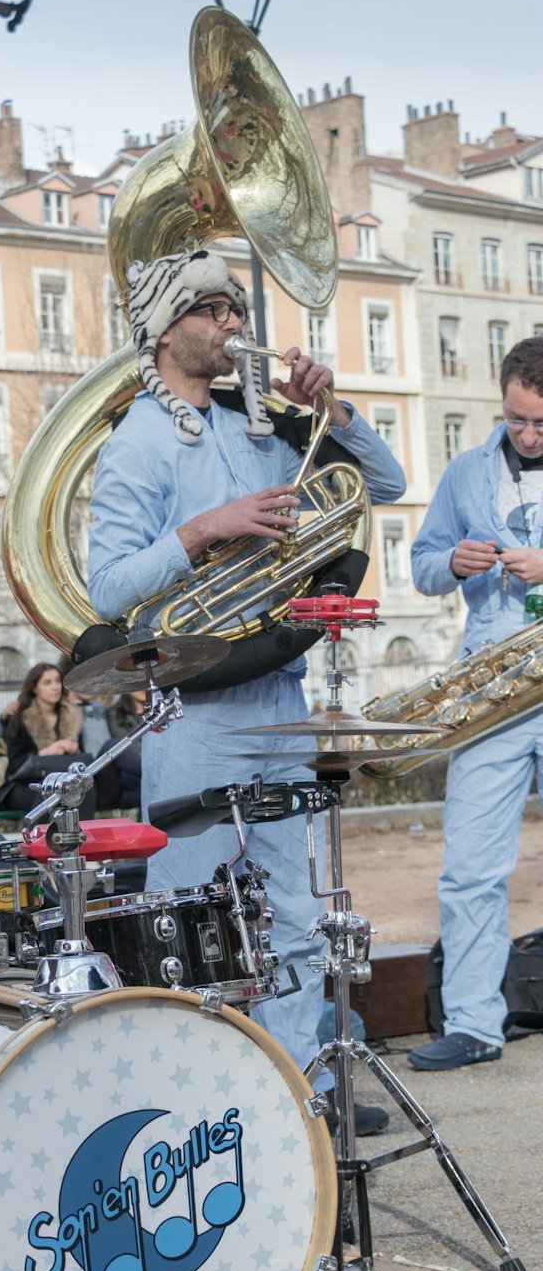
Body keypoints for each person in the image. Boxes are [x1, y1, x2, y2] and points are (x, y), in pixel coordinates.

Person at [87, 248, 407, 1134]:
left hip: (281, 698)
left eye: (235, 309)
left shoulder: (259, 420)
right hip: (192, 714)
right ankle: (194, 1112)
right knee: (189, 923)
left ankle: (297, 1107)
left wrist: (327, 410)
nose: (235, 324)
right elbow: (107, 589)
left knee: (300, 923)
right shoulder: (136, 445)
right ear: (166, 327)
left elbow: (384, 486)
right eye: (216, 311)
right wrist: (202, 530)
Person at [409, 337, 543, 1071]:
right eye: (517, 419)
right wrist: (450, 563)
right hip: (492, 689)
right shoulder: (465, 473)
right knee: (469, 867)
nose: (527, 435)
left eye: (542, 425)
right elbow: (423, 565)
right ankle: (472, 1024)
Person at [0, 661, 99, 818]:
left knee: (78, 787)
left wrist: (73, 749)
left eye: (57, 681)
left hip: (62, 783)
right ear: (34, 688)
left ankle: (81, 837)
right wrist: (46, 752)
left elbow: (80, 758)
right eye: (47, 683)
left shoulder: (72, 715)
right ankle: (42, 840)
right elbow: (15, 767)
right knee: (53, 793)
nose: (55, 687)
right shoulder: (21, 718)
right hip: (25, 785)